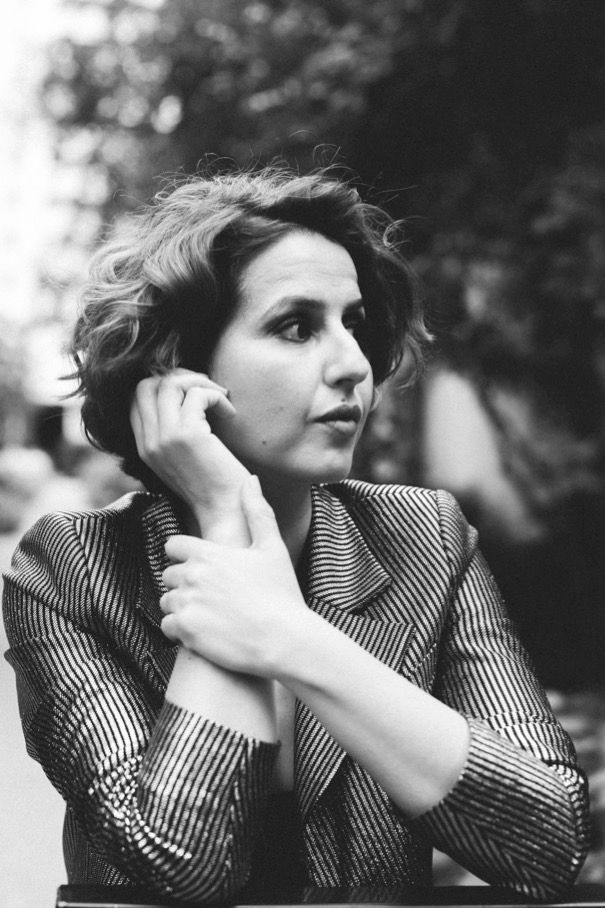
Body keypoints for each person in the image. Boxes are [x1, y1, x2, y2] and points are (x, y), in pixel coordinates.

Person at [3, 167, 589, 904]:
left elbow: (546, 843)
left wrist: (288, 636)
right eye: (296, 326)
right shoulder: (70, 567)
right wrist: (225, 520)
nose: (353, 366)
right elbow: (183, 865)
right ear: (178, 370)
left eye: (354, 325)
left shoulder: (424, 538)